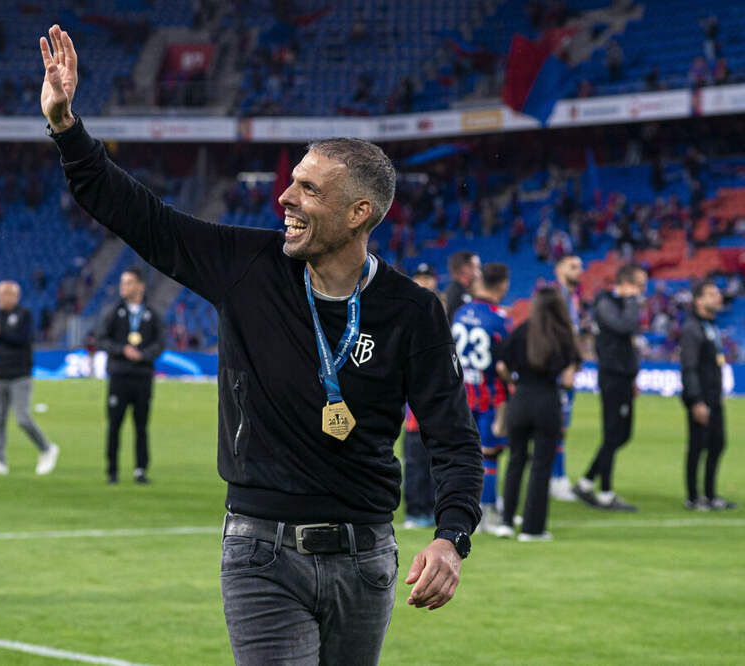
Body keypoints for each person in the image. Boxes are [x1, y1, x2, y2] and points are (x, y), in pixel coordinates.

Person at [41, 25, 482, 665]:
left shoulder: (412, 311)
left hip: (365, 559)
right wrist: (65, 126)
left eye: (309, 189)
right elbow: (140, 217)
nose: (285, 197)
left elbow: (453, 438)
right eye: (292, 181)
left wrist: (451, 536)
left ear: (359, 213)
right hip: (260, 551)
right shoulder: (247, 266)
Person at [497, 287, 581, 541]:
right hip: (547, 401)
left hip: (520, 399)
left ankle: (506, 522)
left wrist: (513, 382)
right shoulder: (563, 335)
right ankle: (532, 529)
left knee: (515, 460)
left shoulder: (522, 330)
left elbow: (501, 365)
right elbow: (568, 379)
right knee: (541, 466)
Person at [573, 264, 647, 512]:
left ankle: (586, 482)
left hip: (623, 377)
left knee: (621, 435)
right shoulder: (606, 303)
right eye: (639, 285)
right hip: (612, 377)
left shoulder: (618, 304)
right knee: (614, 434)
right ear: (625, 284)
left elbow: (627, 340)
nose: (642, 290)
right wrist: (632, 301)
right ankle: (604, 493)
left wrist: (632, 377)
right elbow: (626, 326)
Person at [452, 263, 511, 534]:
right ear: (503, 284)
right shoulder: (500, 319)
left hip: (462, 394)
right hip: (490, 397)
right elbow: (505, 364)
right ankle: (486, 515)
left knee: (464, 455)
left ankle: (465, 511)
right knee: (490, 454)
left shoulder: (461, 312)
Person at [0, 280, 59, 476]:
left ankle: (47, 448)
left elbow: (22, 339)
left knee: (22, 418)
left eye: (4, 294)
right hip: (0, 375)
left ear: (15, 296)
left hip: (20, 375)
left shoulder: (24, 315)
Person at [95, 267, 163, 484]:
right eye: (123, 282)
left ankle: (140, 470)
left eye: (129, 282)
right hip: (119, 376)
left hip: (143, 376)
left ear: (140, 286)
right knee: (114, 424)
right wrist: (121, 350)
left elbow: (160, 343)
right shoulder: (113, 312)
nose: (124, 286)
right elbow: (101, 339)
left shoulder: (152, 313)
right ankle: (112, 470)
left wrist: (143, 355)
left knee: (141, 426)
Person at [680, 281, 735, 511]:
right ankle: (693, 497)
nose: (718, 297)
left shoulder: (710, 326)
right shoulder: (692, 328)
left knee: (717, 444)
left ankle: (711, 495)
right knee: (698, 446)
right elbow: (689, 366)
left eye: (717, 293)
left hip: (714, 396)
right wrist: (696, 400)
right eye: (711, 294)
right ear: (698, 301)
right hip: (701, 397)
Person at [402, 263, 439, 529]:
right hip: (414, 405)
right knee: (415, 461)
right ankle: (416, 511)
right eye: (420, 277)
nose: (424, 281)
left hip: (434, 402)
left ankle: (430, 509)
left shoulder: (436, 310)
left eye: (428, 277)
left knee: (434, 462)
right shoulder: (406, 310)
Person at [549, 254, 584, 502]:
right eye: (573, 266)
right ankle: (555, 479)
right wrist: (566, 367)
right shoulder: (556, 298)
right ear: (559, 270)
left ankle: (557, 477)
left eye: (580, 266)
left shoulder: (571, 298)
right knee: (557, 427)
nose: (579, 270)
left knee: (561, 427)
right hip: (559, 373)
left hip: (566, 369)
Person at [443, 251, 481, 323]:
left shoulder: (466, 292)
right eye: (477, 267)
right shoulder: (454, 295)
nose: (479, 273)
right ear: (465, 269)